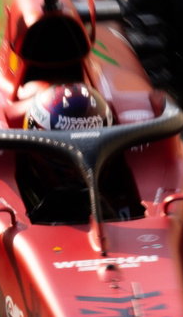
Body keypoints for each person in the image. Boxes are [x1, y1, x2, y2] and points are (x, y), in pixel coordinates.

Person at [16, 83, 142, 222]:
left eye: (92, 147)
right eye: (66, 151)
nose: (81, 163)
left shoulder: (122, 173)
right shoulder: (18, 171)